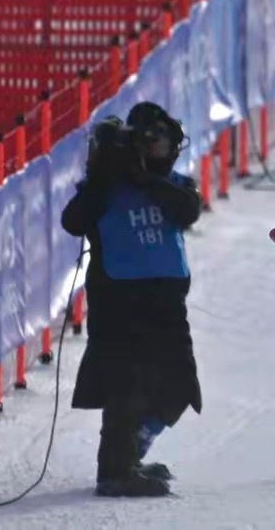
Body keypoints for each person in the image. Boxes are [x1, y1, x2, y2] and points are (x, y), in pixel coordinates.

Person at [60, 101, 203, 497]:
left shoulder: (174, 183)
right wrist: (107, 177)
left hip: (167, 302)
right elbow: (73, 221)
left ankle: (130, 455)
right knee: (126, 388)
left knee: (179, 386)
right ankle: (115, 472)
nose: (152, 147)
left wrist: (146, 181)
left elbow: (188, 211)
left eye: (159, 139)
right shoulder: (103, 190)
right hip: (118, 301)